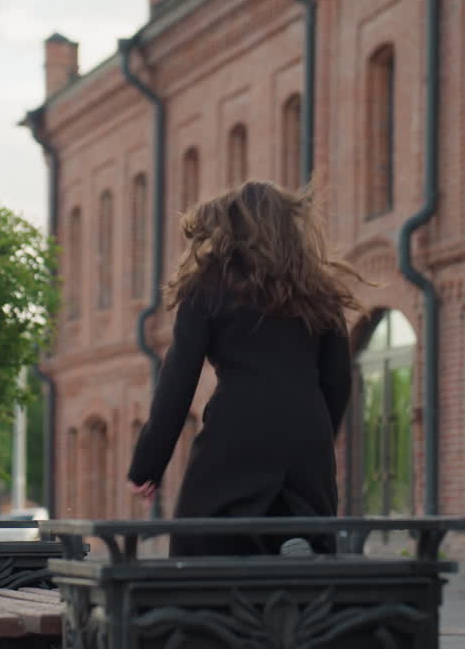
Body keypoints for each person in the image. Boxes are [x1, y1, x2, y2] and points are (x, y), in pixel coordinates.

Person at [126, 180, 365, 557]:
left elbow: (178, 382)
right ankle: (287, 541)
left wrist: (147, 465)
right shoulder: (320, 291)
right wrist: (317, 436)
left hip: (237, 431)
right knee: (305, 542)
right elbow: (337, 380)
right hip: (306, 435)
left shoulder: (208, 288)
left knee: (202, 542)